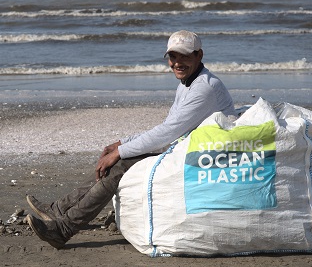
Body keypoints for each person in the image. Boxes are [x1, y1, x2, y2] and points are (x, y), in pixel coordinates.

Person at [26, 30, 237, 249]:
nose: (177, 63)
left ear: (199, 55)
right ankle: (59, 210)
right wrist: (121, 143)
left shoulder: (204, 88)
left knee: (119, 165)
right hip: (185, 144)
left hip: (203, 154)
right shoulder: (188, 82)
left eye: (184, 56)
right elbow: (167, 127)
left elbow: (167, 133)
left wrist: (120, 152)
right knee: (117, 158)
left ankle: (64, 228)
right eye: (173, 57)